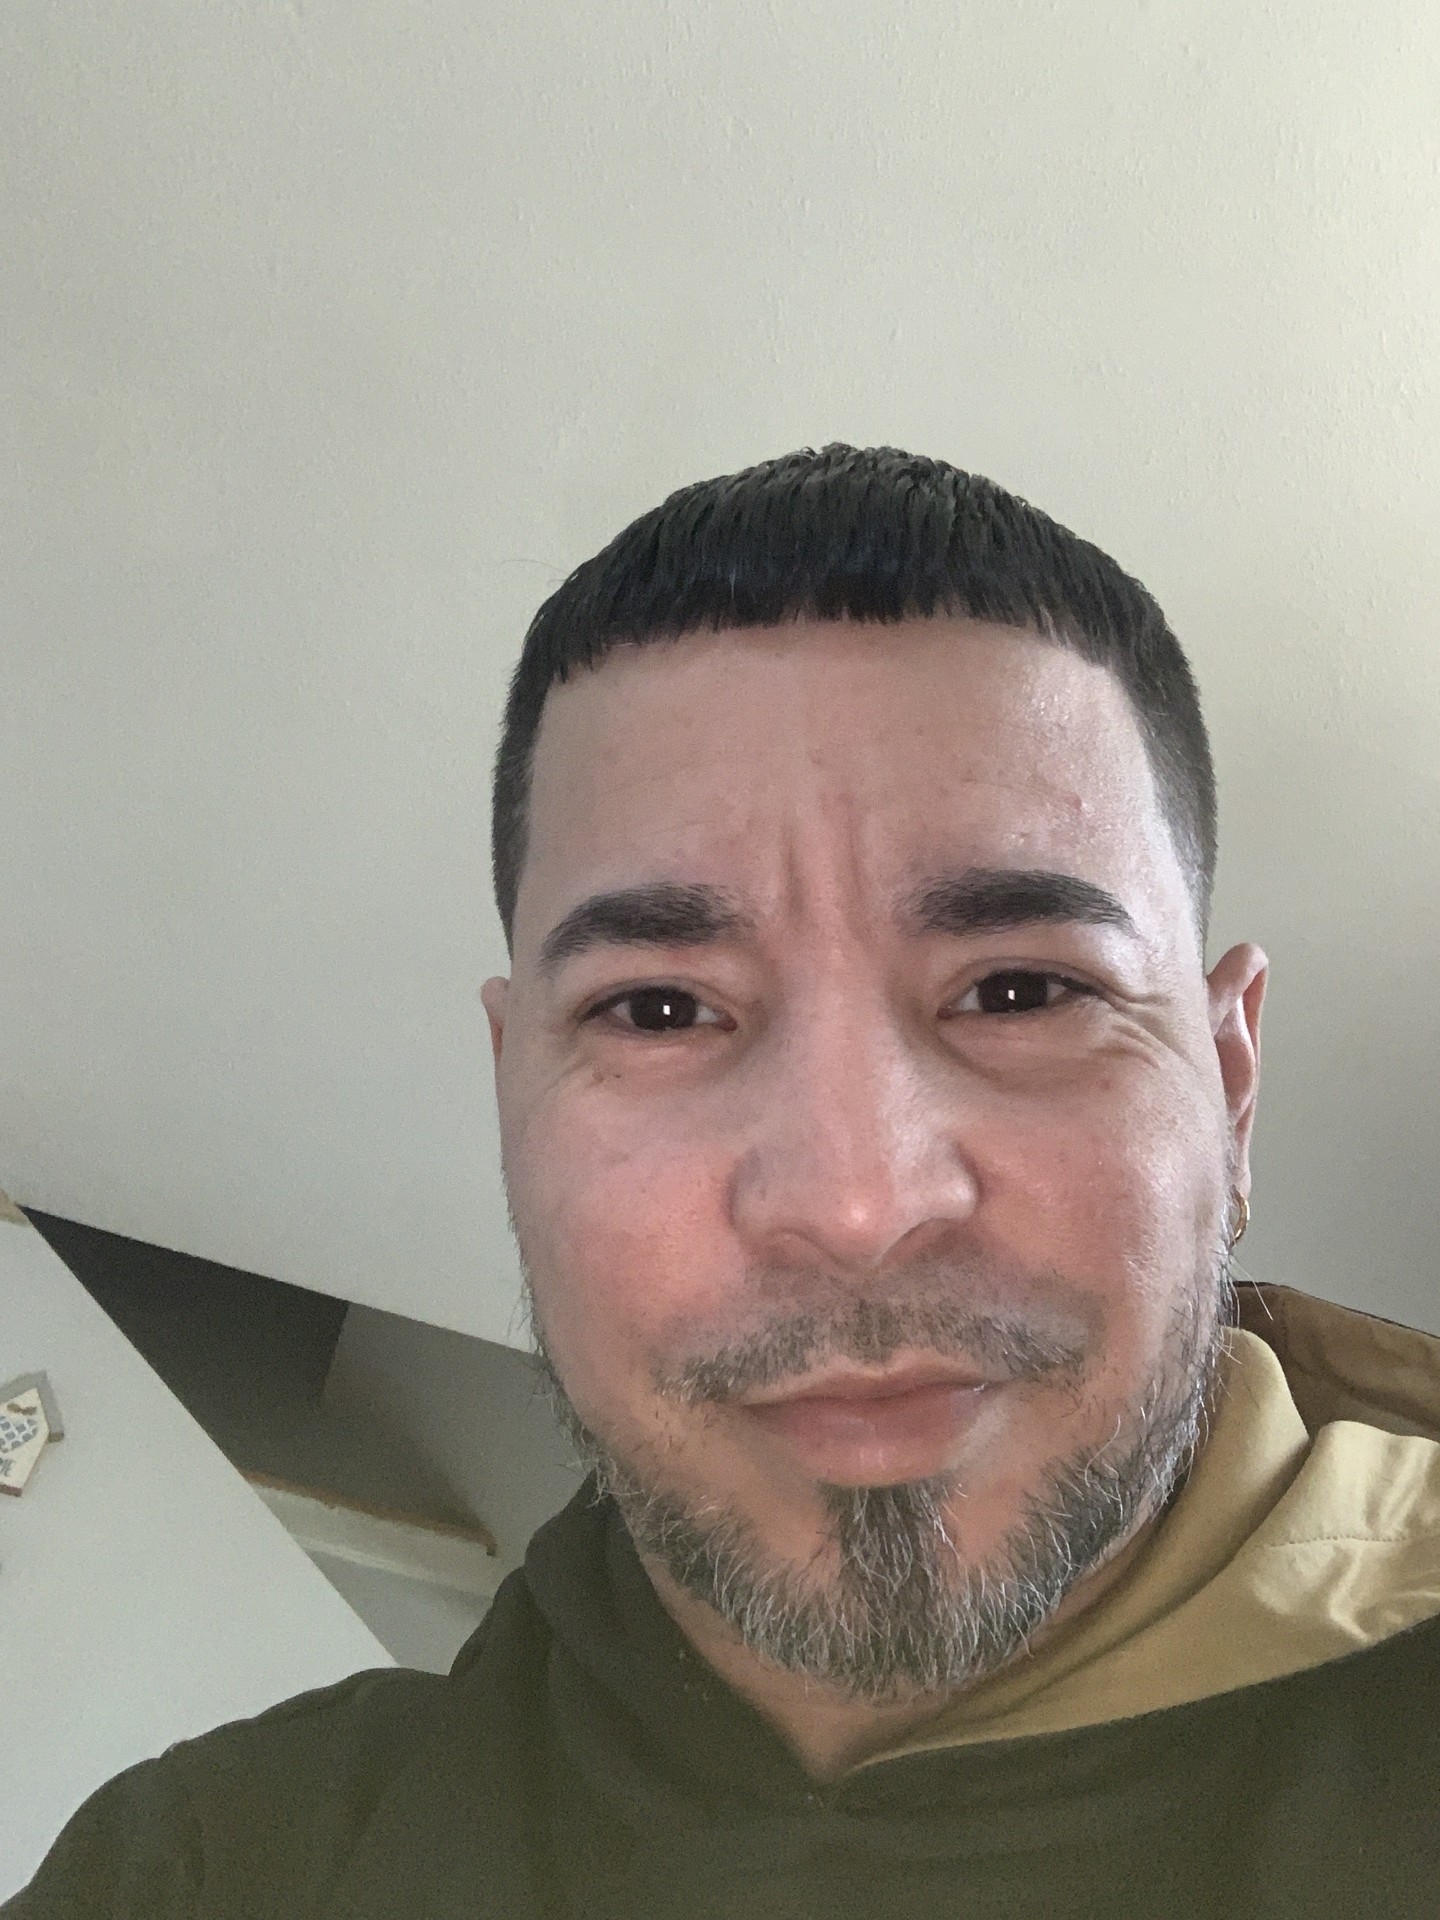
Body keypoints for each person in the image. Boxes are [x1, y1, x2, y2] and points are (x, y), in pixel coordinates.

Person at [9, 444, 1440, 1919]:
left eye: (1017, 991)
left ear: (1232, 1079)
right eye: (659, 1010)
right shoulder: (203, 1870)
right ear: (511, 1098)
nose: (856, 1207)